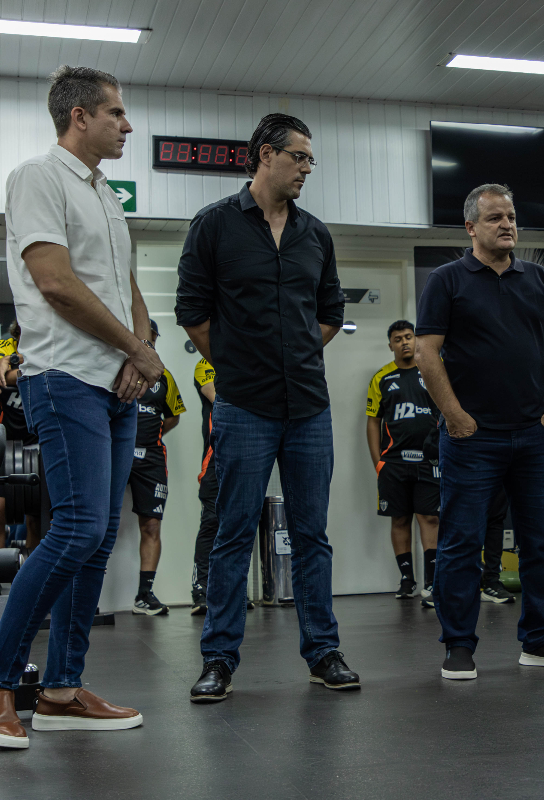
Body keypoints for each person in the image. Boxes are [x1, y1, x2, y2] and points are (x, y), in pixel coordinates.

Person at [0, 65, 159, 749]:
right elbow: (56, 283)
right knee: (73, 530)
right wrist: (136, 348)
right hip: (63, 375)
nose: (127, 125)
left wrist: (141, 348)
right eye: (116, 114)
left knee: (97, 537)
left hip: (115, 382)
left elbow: (124, 281)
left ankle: (63, 689)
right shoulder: (37, 177)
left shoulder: (104, 193)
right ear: (79, 116)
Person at [177, 113, 358, 700]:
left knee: (312, 535)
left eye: (310, 160)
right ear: (265, 155)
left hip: (308, 404)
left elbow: (330, 313)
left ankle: (323, 652)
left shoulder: (316, 234)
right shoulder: (213, 227)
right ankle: (219, 659)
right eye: (300, 157)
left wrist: (296, 354)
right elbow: (192, 312)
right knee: (233, 532)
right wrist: (238, 363)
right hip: (243, 407)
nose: (307, 168)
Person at [415, 182, 544, 681]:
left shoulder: (538, 280)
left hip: (535, 436)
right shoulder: (446, 280)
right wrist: (454, 414)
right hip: (472, 439)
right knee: (461, 544)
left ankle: (539, 639)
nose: (507, 225)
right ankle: (458, 645)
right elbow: (428, 353)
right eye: (495, 218)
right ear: (471, 227)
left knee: (541, 541)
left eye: (511, 216)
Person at [366, 319, 439, 606]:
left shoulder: (431, 371)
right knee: (399, 518)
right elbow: (373, 422)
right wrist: (378, 463)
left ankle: (432, 583)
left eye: (409, 337)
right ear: (391, 345)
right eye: (398, 339)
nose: (405, 342)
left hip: (428, 460)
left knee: (430, 517)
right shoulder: (381, 378)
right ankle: (407, 580)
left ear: (416, 339)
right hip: (393, 463)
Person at [128, 320, 185, 615]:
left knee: (151, 524)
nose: (149, 341)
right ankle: (87, 594)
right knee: (100, 523)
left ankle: (144, 595)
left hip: (151, 457)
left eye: (152, 336)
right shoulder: (116, 369)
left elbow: (173, 414)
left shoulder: (164, 377)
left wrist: (154, 436)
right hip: (115, 453)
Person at [0, 322, 42, 595]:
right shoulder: (0, 347)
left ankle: (32, 583)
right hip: (3, 443)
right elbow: (6, 379)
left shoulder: (42, 348)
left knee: (36, 518)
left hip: (38, 442)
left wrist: (14, 363)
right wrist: (11, 362)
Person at [190, 356, 217, 616]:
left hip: (243, 461)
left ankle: (232, 589)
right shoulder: (205, 363)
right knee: (211, 523)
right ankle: (201, 589)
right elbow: (215, 396)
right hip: (214, 462)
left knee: (238, 526)